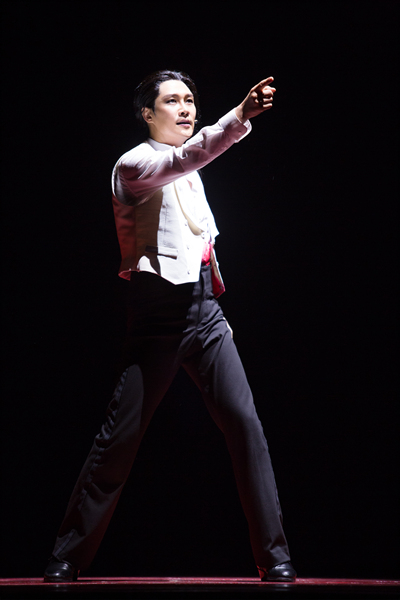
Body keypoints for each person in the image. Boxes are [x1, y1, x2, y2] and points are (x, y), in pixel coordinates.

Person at [44, 70, 297, 583]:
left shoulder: (191, 166)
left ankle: (275, 557)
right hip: (157, 316)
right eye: (172, 101)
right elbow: (187, 157)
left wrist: (211, 301)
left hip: (205, 314)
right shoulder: (134, 164)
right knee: (120, 438)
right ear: (147, 113)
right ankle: (67, 555)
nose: (185, 109)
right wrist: (240, 116)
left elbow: (197, 223)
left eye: (190, 100)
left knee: (246, 426)